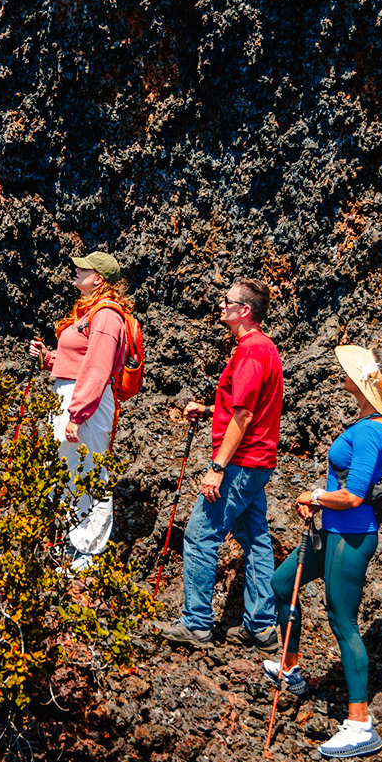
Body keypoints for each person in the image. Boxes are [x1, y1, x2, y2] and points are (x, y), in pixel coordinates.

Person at [263, 344, 382, 760]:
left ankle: (360, 724)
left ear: (365, 383)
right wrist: (320, 501)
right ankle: (291, 669)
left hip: (350, 537)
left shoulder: (372, 432)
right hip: (331, 530)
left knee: (342, 621)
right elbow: (344, 490)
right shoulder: (369, 423)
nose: (341, 374)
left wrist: (315, 493)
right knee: (281, 585)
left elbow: (352, 496)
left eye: (348, 371)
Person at [155, 277, 284, 653]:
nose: (220, 305)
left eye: (226, 301)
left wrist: (217, 467)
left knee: (199, 536)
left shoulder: (249, 352)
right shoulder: (266, 349)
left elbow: (243, 417)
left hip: (240, 463)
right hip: (259, 462)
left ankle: (196, 623)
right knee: (256, 540)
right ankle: (261, 627)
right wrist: (211, 409)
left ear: (244, 311)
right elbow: (244, 408)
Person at [28, 252, 132, 570]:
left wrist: (78, 413)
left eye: (82, 268)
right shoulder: (91, 313)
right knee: (68, 469)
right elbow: (81, 362)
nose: (76, 270)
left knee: (90, 473)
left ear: (98, 278)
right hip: (74, 398)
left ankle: (88, 553)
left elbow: (98, 367)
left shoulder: (107, 316)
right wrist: (49, 358)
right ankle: (70, 545)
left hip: (87, 403)